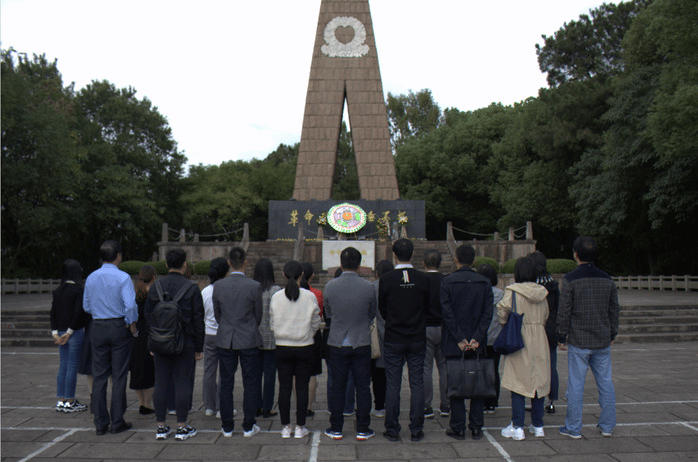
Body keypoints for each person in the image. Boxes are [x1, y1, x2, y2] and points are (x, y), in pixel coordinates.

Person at [557, 236, 620, 439]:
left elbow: (564, 311)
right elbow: (614, 309)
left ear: (575, 254)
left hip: (579, 339)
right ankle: (608, 425)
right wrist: (613, 332)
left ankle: (573, 427)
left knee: (576, 384)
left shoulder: (570, 279)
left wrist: (561, 335)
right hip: (602, 339)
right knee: (606, 382)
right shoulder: (607, 279)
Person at [144, 249, 205, 441]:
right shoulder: (192, 288)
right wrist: (199, 347)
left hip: (160, 341)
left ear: (166, 264)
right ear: (184, 265)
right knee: (182, 382)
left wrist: (151, 342)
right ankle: (182, 426)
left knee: (161, 382)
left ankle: (161, 426)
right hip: (184, 342)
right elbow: (198, 319)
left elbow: (148, 317)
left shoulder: (155, 287)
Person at [82, 239, 138, 435]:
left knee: (99, 376)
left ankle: (100, 422)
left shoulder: (91, 277)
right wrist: (132, 324)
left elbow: (86, 306)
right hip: (118, 326)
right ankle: (117, 421)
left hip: (97, 326)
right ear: (119, 256)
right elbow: (130, 305)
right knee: (119, 375)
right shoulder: (123, 277)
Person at [379, 238, 430, 442]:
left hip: (394, 336)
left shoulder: (387, 279)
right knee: (417, 382)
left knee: (393, 383)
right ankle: (416, 428)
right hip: (416, 336)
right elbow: (427, 306)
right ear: (413, 254)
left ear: (394, 255)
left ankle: (392, 428)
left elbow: (383, 309)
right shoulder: (423, 279)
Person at [323, 246, 377, 441]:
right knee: (362, 387)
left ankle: (336, 427)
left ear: (341, 263)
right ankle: (363, 428)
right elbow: (372, 312)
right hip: (361, 340)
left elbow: (328, 312)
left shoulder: (330, 286)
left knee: (338, 386)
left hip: (338, 341)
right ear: (359, 264)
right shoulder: (368, 287)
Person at [440, 244, 492, 441]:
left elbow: (447, 313)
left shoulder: (447, 281)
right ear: (474, 260)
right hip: (478, 341)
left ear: (456, 259)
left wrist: (459, 338)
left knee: (456, 384)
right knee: (478, 383)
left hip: (455, 342)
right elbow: (488, 314)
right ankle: (477, 426)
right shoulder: (484, 282)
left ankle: (458, 426)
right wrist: (477, 338)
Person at [498, 256, 550, 441]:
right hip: (540, 337)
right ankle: (538, 425)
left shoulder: (513, 292)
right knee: (538, 382)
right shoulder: (542, 293)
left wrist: (505, 323)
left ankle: (518, 426)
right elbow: (546, 315)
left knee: (518, 383)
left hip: (519, 337)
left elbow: (502, 311)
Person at [213, 246, 263, 438]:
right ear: (245, 262)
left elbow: (218, 315)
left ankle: (227, 426)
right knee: (250, 383)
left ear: (229, 263)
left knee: (226, 383)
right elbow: (258, 315)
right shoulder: (254, 286)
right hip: (248, 337)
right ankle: (248, 425)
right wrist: (248, 327)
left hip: (226, 338)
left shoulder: (219, 286)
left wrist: (227, 326)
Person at [270, 260, 321, 439]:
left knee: (284, 387)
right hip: (304, 346)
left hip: (282, 346)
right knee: (302, 388)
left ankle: (286, 427)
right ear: (302, 275)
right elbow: (316, 322)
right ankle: (300, 426)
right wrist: (308, 334)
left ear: (284, 275)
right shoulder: (309, 296)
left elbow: (272, 322)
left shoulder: (276, 297)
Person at [51, 258, 88, 413]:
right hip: (74, 332)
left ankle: (61, 399)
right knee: (72, 366)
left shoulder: (58, 290)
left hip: (60, 332)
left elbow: (53, 312)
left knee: (63, 365)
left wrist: (55, 332)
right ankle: (70, 400)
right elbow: (78, 312)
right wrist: (70, 331)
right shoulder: (79, 290)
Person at [529, 250, 560, 414]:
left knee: (534, 366)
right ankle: (552, 400)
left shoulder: (531, 286)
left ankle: (535, 398)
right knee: (551, 366)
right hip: (551, 329)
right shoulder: (553, 284)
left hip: (536, 329)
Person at [202, 257, 230, 417]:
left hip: (209, 334)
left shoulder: (205, 291)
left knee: (209, 372)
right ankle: (222, 407)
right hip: (224, 334)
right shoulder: (227, 290)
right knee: (225, 372)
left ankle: (209, 406)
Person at [422, 249, 448, 419]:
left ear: (424, 263)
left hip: (425, 327)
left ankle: (426, 406)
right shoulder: (446, 280)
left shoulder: (420, 280)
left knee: (426, 368)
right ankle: (446, 404)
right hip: (443, 327)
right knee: (444, 367)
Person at [477, 263, 505, 414]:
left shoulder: (477, 293)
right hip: (496, 337)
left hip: (481, 337)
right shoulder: (502, 294)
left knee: (481, 370)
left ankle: (481, 401)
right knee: (494, 369)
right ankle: (493, 402)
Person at [254, 258, 281, 418]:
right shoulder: (276, 290)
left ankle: (256, 405)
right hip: (271, 337)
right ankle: (267, 407)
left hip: (254, 337)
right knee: (270, 374)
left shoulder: (252, 288)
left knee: (255, 374)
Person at [129, 265, 157, 415]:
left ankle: (141, 403)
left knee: (137, 370)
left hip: (137, 335)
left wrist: (133, 329)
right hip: (150, 333)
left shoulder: (137, 293)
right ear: (153, 277)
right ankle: (147, 403)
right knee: (150, 370)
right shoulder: (155, 293)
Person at [370, 260, 392, 418]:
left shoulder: (371, 287)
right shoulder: (395, 285)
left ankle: (379, 406)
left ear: (376, 273)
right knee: (393, 372)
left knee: (377, 373)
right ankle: (392, 403)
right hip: (393, 333)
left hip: (375, 335)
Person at [302, 262, 324, 417]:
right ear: (312, 276)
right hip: (313, 335)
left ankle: (300, 405)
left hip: (295, 335)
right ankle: (308, 407)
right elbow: (319, 315)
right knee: (312, 373)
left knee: (296, 373)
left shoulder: (288, 293)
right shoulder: (316, 294)